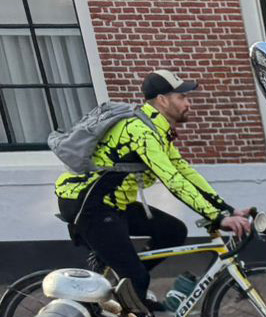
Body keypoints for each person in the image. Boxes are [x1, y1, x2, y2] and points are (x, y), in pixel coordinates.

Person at [54, 70, 253, 305]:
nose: (188, 104)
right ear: (162, 100)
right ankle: (117, 309)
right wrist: (217, 217)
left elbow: (185, 172)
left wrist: (226, 210)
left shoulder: (156, 130)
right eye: (182, 97)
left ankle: (122, 282)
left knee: (172, 232)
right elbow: (172, 180)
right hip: (88, 205)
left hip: (112, 203)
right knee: (137, 278)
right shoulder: (140, 131)